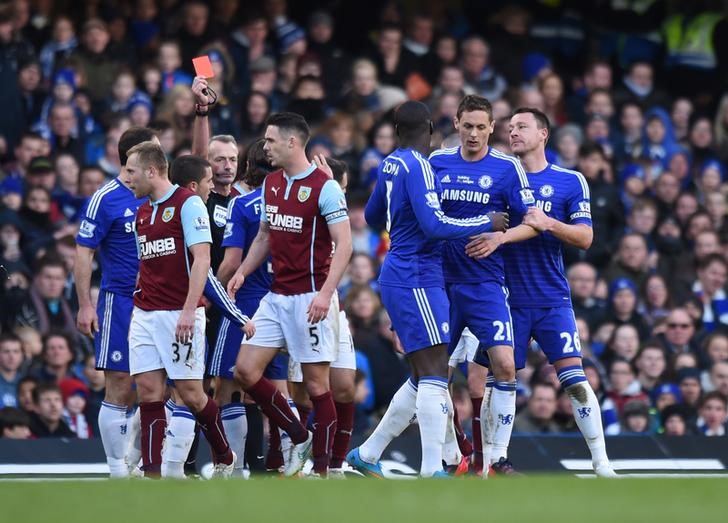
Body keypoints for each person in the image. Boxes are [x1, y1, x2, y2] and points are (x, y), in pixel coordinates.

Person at [347, 100, 506, 478]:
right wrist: (487, 221)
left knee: (423, 374)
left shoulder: (391, 162)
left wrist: (400, 221)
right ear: (432, 127)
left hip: (402, 271)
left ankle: (367, 453)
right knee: (436, 371)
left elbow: (372, 217)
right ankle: (433, 468)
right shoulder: (419, 166)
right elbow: (435, 226)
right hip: (417, 273)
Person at [482, 107, 617, 477]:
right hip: (506, 297)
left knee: (574, 378)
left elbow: (586, 238)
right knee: (498, 378)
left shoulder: (570, 181)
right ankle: (495, 459)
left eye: (522, 127)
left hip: (552, 298)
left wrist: (548, 222)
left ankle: (601, 462)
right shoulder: (498, 178)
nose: (513, 133)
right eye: (510, 128)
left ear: (544, 133)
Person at [227, 112, 352, 478]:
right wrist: (242, 271)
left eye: (270, 140)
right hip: (276, 295)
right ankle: (300, 435)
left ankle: (324, 471)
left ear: (292, 143)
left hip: (310, 297)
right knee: (245, 372)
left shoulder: (324, 187)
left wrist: (326, 294)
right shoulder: (272, 185)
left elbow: (344, 245)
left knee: (316, 386)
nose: (265, 146)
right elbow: (265, 235)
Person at [126, 141, 244, 478]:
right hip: (145, 312)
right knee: (148, 391)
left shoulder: (188, 204)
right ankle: (152, 475)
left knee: (192, 394)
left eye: (131, 172)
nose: (127, 179)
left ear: (151, 171)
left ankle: (223, 453)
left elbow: (203, 258)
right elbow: (145, 262)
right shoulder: (142, 211)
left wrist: (190, 311)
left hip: (180, 313)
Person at [429, 94, 534, 475]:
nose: (473, 133)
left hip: (487, 284)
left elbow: (533, 220)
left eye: (480, 126)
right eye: (467, 125)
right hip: (440, 284)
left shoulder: (507, 168)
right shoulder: (436, 163)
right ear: (456, 124)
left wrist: (499, 239)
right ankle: (442, 456)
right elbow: (422, 219)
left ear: (492, 127)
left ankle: (496, 459)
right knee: (432, 373)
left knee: (504, 365)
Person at [75, 126, 156, 477]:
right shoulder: (105, 197)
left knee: (164, 387)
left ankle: (133, 457)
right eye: (152, 153)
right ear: (132, 157)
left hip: (159, 304)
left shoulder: (160, 193)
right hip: (119, 301)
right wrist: (85, 304)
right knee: (120, 383)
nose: (159, 160)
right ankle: (116, 469)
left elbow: (195, 166)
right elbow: (83, 252)